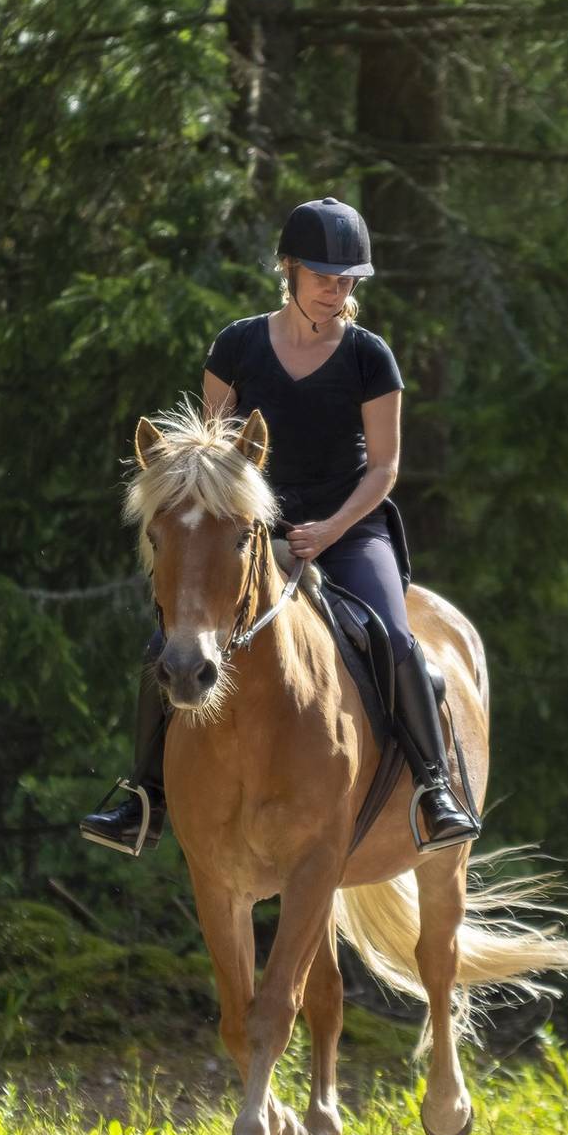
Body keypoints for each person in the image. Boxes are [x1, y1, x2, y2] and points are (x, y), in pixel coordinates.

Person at [80, 196, 480, 857]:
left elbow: (383, 467)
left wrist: (328, 530)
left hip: (350, 527)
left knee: (396, 637)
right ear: (288, 269)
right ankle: (142, 798)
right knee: (166, 643)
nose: (336, 290)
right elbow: (212, 457)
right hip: (249, 531)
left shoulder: (369, 357)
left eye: (347, 279)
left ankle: (433, 791)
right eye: (323, 275)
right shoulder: (236, 346)